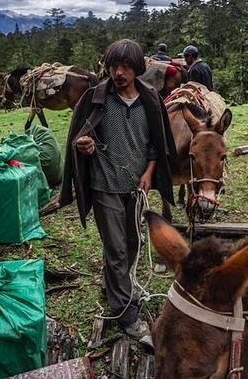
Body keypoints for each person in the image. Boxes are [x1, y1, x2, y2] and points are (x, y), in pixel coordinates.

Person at [59, 38, 176, 346]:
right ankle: (126, 315)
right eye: (114, 66)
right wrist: (83, 145)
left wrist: (149, 173)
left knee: (133, 244)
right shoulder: (95, 98)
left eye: (125, 66)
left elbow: (156, 145)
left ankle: (114, 285)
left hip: (135, 188)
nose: (119, 72)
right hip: (105, 185)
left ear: (137, 68)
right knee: (117, 249)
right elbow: (79, 137)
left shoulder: (150, 100)